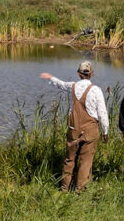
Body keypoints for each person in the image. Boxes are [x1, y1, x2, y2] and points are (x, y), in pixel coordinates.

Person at [40, 61, 109, 192]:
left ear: (78, 73)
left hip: (73, 129)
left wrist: (50, 77)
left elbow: (60, 84)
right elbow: (102, 114)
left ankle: (64, 188)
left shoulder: (72, 86)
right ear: (92, 74)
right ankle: (80, 189)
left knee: (69, 159)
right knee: (86, 161)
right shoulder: (96, 90)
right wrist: (106, 132)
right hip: (90, 130)